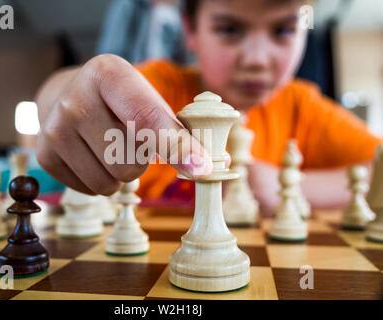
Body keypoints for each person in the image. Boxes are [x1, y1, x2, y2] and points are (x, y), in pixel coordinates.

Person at [35, 0, 382, 214]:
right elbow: (64, 96)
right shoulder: (161, 87)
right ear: (191, 30)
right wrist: (60, 94)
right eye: (229, 29)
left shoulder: (301, 105)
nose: (257, 59)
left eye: (283, 30)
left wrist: (291, 185)